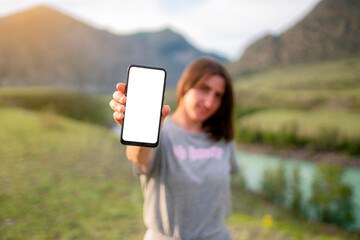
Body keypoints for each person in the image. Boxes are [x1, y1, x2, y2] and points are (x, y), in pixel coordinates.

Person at [110, 57, 239, 240]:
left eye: (218, 95)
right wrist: (137, 133)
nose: (210, 102)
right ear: (185, 85)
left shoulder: (223, 137)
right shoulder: (161, 130)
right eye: (204, 89)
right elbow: (138, 158)